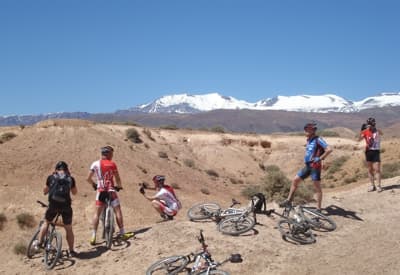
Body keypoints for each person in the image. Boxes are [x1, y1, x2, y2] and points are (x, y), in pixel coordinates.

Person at [280, 122, 332, 211]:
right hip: (308, 166)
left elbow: (329, 149)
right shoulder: (309, 140)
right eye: (305, 129)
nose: (306, 131)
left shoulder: (318, 139)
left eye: (308, 129)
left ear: (313, 130)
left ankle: (318, 208)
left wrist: (320, 158)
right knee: (295, 180)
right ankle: (289, 200)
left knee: (317, 187)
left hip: (315, 166)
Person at [34, 161, 78, 256]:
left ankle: (39, 243)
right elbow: (74, 192)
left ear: (56, 169)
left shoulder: (51, 177)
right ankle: (71, 251)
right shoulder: (70, 179)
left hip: (53, 205)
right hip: (66, 206)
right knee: (68, 228)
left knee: (46, 222)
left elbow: (45, 191)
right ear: (66, 170)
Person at [87, 146, 126, 245]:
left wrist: (94, 184)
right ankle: (122, 232)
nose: (112, 156)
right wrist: (119, 186)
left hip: (100, 190)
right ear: (108, 154)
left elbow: (88, 178)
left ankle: (93, 236)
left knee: (97, 214)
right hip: (111, 190)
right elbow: (117, 177)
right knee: (117, 210)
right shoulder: (112, 164)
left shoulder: (95, 164)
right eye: (112, 154)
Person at [359, 117, 383, 192]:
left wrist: (375, 129)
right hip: (368, 151)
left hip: (376, 151)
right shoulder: (365, 131)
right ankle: (372, 186)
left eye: (372, 123)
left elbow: (382, 133)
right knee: (370, 170)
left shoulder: (377, 131)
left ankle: (378, 186)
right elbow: (359, 139)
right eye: (369, 124)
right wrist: (362, 131)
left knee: (377, 169)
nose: (370, 125)